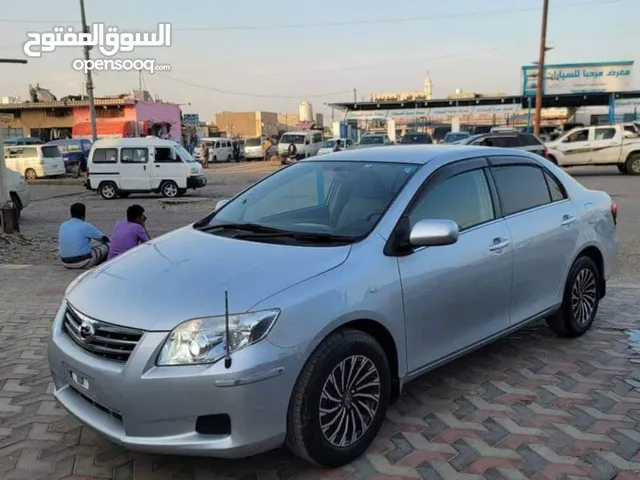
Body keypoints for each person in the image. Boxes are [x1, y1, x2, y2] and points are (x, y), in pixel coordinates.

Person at [58, 203, 110, 269]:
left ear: (71, 214)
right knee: (108, 245)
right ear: (83, 214)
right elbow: (104, 238)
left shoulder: (63, 225)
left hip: (65, 263)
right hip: (83, 262)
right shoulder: (86, 226)